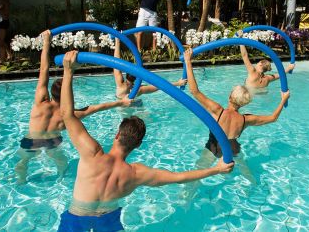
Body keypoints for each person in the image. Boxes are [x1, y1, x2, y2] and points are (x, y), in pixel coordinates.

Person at [57, 50, 234, 231]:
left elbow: (67, 114)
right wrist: (217, 169)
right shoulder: (136, 174)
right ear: (138, 145)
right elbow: (179, 177)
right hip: (108, 221)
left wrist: (68, 71)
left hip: (76, 219)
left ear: (117, 134)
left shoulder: (92, 154)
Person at [15, 31, 133, 184]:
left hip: (32, 139)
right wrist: (121, 103)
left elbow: (44, 70)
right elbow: (97, 107)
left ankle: (21, 181)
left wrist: (46, 42)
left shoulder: (41, 102)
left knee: (23, 162)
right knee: (61, 163)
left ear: (51, 92)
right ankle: (61, 178)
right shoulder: (68, 115)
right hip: (52, 142)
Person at [183, 48, 290, 189]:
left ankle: (187, 197)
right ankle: (254, 186)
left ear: (229, 96)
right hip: (234, 149)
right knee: (246, 170)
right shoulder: (246, 119)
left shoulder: (218, 110)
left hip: (213, 147)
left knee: (198, 173)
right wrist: (283, 99)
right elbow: (273, 118)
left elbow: (194, 91)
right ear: (244, 103)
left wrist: (188, 62)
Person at [113, 39, 186, 104]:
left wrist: (117, 41)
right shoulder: (138, 89)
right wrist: (178, 83)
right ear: (138, 77)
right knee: (139, 103)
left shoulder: (120, 85)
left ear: (126, 73)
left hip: (121, 107)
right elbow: (160, 85)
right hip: (134, 106)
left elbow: (116, 63)